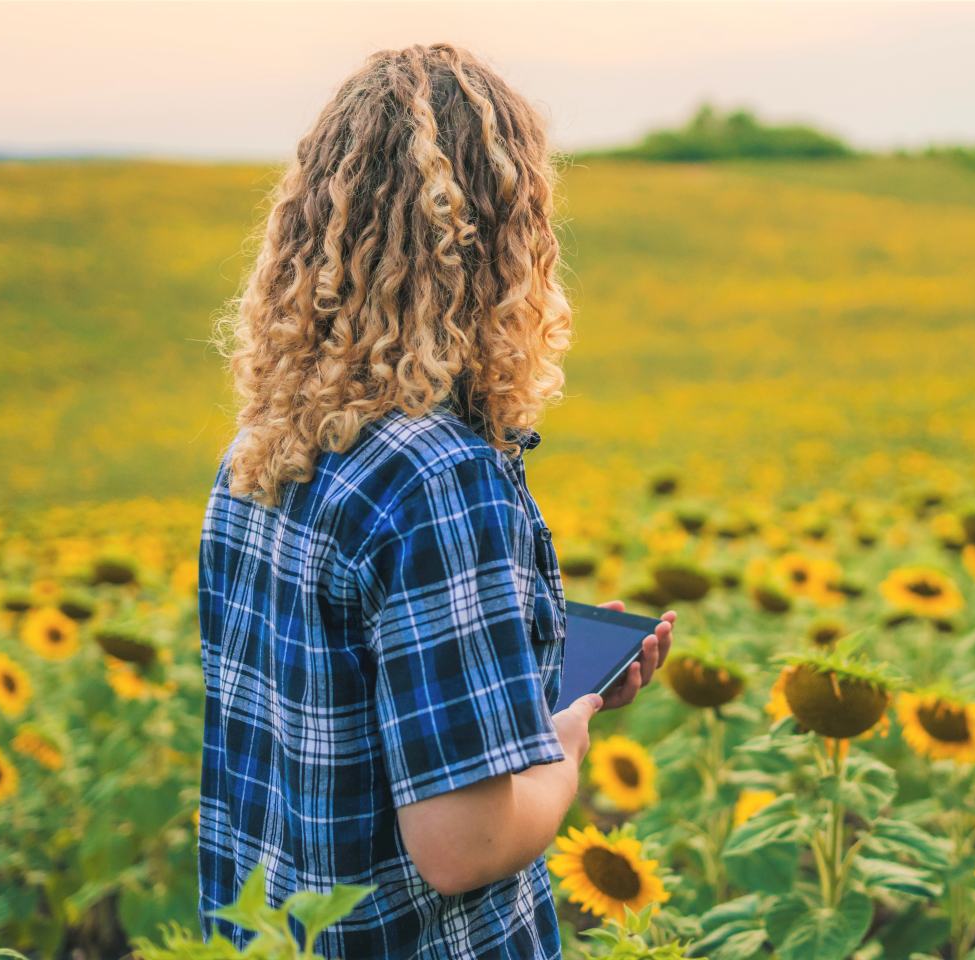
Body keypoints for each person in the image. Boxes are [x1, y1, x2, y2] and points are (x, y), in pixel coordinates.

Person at [196, 42, 674, 958]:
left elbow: (335, 715)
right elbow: (464, 845)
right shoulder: (439, 481)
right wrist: (561, 737)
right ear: (506, 240)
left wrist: (525, 675)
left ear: (313, 228)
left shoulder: (258, 455)